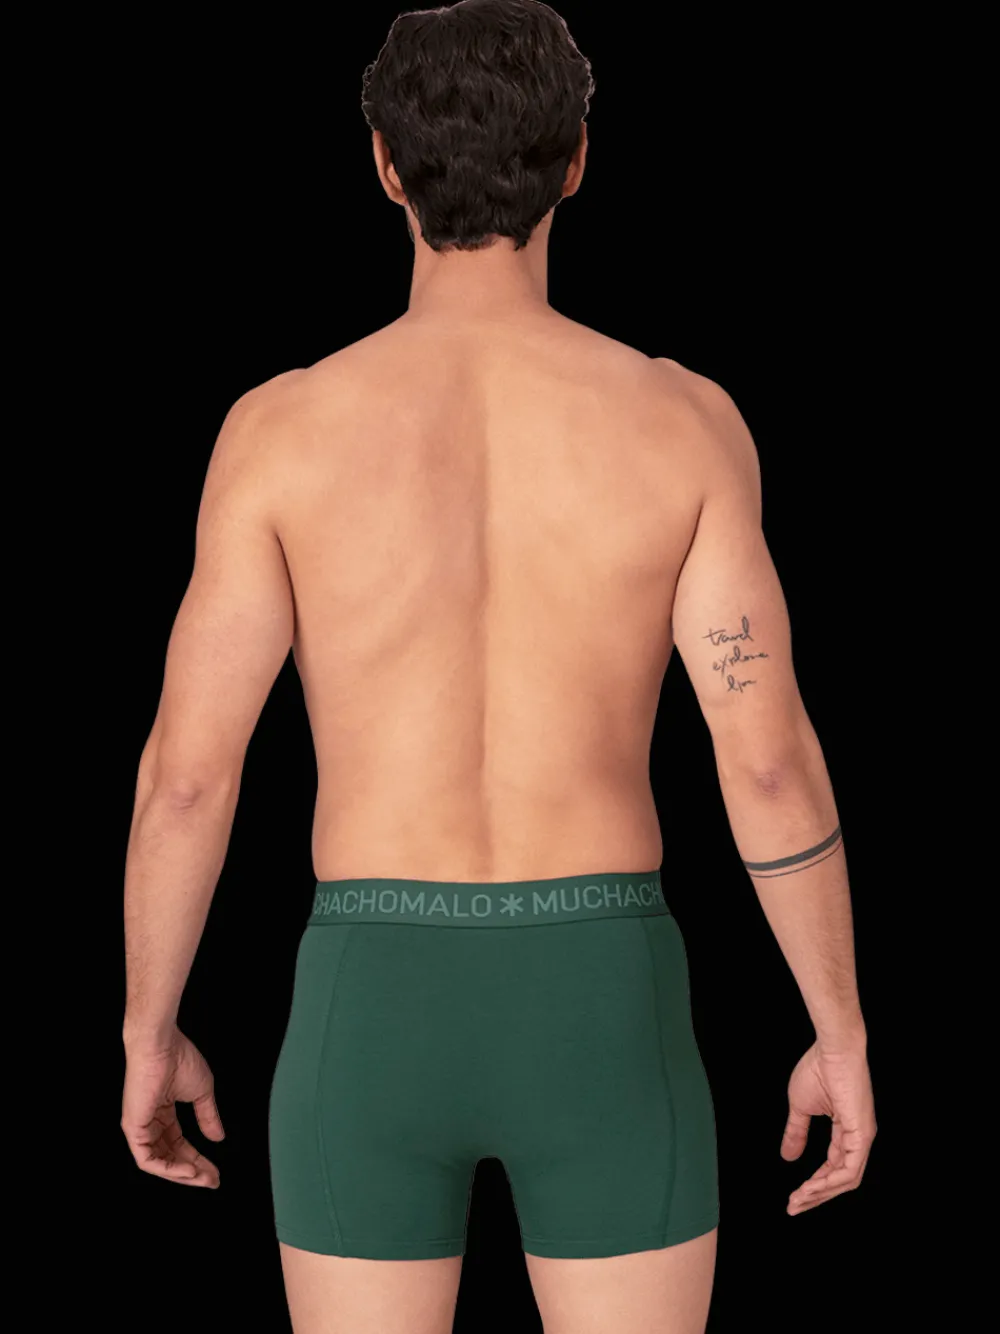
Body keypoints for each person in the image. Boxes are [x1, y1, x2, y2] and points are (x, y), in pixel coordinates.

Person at [120, 2, 876, 1331]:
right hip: (603, 999)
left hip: (370, 1000)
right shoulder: (682, 423)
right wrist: (841, 1032)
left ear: (385, 166)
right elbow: (764, 762)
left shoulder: (280, 432)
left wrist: (148, 1027)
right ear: (576, 160)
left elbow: (188, 777)